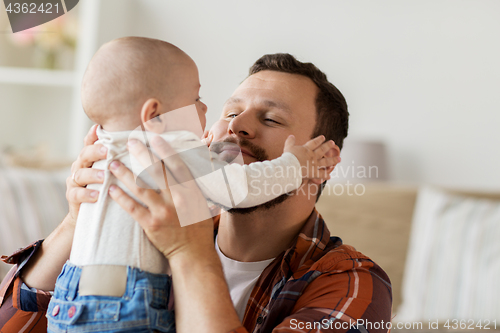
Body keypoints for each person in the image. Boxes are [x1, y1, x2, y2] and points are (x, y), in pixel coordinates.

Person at [0, 53, 392, 333]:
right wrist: (77, 220)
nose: (238, 127)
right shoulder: (149, 220)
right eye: (229, 112)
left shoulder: (352, 281)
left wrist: (189, 254)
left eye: (271, 118)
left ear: (323, 160)